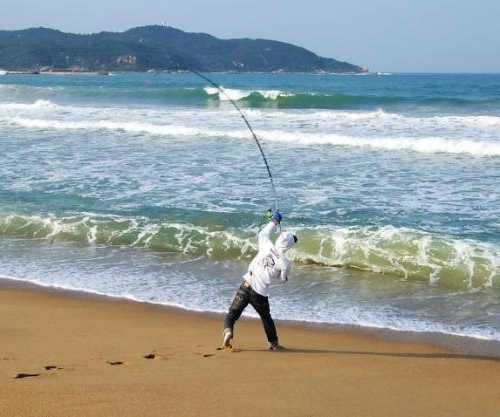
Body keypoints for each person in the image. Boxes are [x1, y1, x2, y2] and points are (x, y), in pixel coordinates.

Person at [222, 211, 298, 351]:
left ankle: (228, 331)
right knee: (266, 318)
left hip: (246, 285)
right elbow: (282, 279)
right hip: (260, 294)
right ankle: (274, 344)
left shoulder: (266, 244)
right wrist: (283, 275)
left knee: (233, 313)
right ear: (289, 246)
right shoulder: (285, 263)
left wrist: (275, 221)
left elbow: (263, 233)